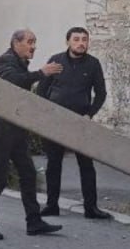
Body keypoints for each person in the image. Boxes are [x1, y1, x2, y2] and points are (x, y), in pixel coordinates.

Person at [0, 29, 64, 240]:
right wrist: (41, 73)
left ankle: (33, 222)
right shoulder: (4, 62)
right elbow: (15, 82)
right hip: (2, 128)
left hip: (16, 127)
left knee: (28, 173)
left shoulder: (19, 62)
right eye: (30, 42)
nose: (33, 46)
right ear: (16, 43)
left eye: (35, 42)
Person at [36, 27, 111, 219]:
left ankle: (91, 208)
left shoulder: (93, 64)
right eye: (76, 39)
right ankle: (52, 205)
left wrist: (89, 114)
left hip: (80, 122)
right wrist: (48, 114)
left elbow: (101, 93)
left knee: (86, 165)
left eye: (84, 39)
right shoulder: (56, 60)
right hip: (56, 122)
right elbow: (42, 90)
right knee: (53, 164)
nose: (81, 43)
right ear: (68, 41)